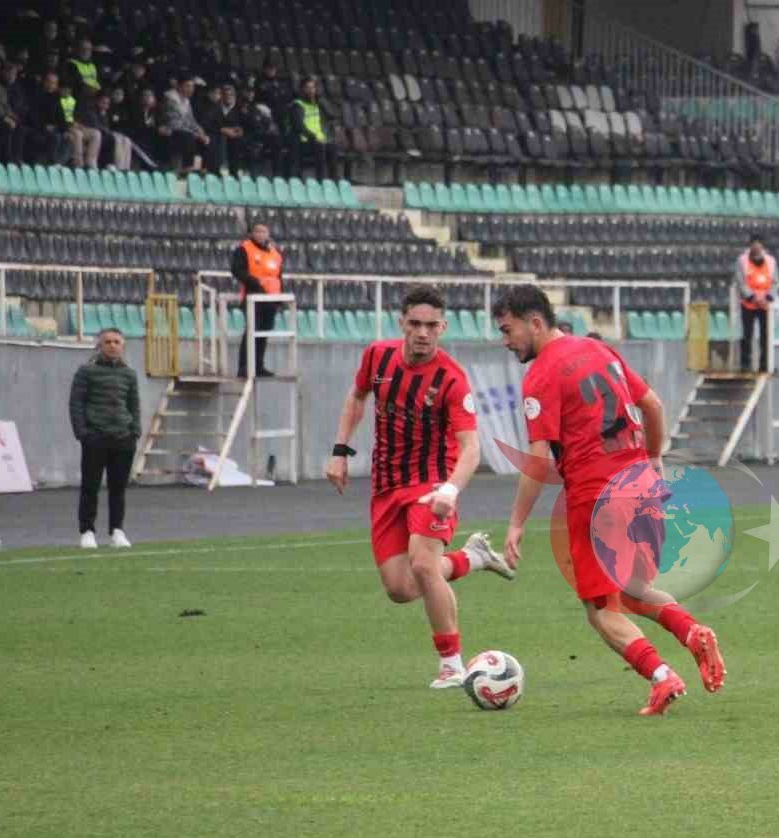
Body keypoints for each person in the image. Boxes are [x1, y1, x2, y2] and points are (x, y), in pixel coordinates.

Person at [495, 284, 727, 717]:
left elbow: (538, 459)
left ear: (535, 322)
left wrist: (516, 523)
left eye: (508, 330)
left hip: (596, 494)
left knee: (600, 609)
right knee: (634, 590)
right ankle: (692, 632)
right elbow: (653, 405)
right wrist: (655, 458)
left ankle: (661, 677)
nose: (505, 341)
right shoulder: (601, 351)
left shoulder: (541, 375)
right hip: (640, 485)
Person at [325, 285, 515, 688]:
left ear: (443, 328)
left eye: (431, 325)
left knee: (424, 565)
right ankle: (472, 559)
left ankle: (452, 664)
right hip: (386, 484)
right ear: (402, 324)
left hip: (431, 483)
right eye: (415, 324)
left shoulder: (451, 379)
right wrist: (340, 449)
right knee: (399, 588)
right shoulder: (377, 356)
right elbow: (357, 395)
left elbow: (471, 450)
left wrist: (450, 490)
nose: (423, 333)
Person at [69, 327, 141, 550]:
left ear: (123, 345)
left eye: (117, 342)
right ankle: (87, 531)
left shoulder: (129, 374)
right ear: (99, 346)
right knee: (90, 487)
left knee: (118, 488)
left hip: (123, 437)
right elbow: (76, 404)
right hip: (95, 436)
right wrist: (82, 433)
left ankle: (117, 531)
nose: (112, 345)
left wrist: (134, 431)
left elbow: (134, 405)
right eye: (107, 342)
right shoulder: (86, 372)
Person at [228, 220, 282, 378]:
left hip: (270, 300)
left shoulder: (275, 254)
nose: (261, 234)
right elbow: (237, 270)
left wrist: (279, 297)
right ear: (252, 233)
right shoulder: (244, 249)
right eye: (257, 231)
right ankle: (244, 367)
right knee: (252, 330)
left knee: (264, 332)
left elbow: (278, 276)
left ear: (268, 234)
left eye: (264, 231)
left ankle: (259, 365)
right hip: (253, 297)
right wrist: (255, 284)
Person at [735, 233, 778, 372]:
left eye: (759, 244)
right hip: (748, 304)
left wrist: (768, 298)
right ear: (750, 246)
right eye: (754, 244)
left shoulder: (771, 261)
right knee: (747, 334)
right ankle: (745, 364)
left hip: (765, 305)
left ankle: (765, 364)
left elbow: (775, 282)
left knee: (766, 335)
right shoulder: (742, 261)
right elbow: (741, 282)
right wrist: (753, 297)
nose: (756, 247)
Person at [284, 75, 341, 180]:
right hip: (304, 142)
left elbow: (333, 115)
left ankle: (335, 181)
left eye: (313, 88)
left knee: (333, 147)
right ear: (302, 89)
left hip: (318, 140)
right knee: (320, 146)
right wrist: (314, 137)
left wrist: (322, 101)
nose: (311, 91)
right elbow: (299, 127)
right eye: (308, 88)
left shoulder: (318, 104)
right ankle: (321, 180)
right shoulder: (298, 105)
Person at [160, 73, 209, 172]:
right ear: (178, 86)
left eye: (192, 86)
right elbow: (174, 123)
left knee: (206, 138)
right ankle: (187, 169)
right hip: (170, 130)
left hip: (184, 130)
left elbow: (191, 120)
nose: (191, 89)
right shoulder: (169, 99)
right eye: (188, 86)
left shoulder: (186, 101)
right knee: (188, 137)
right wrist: (194, 133)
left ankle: (204, 169)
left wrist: (200, 130)